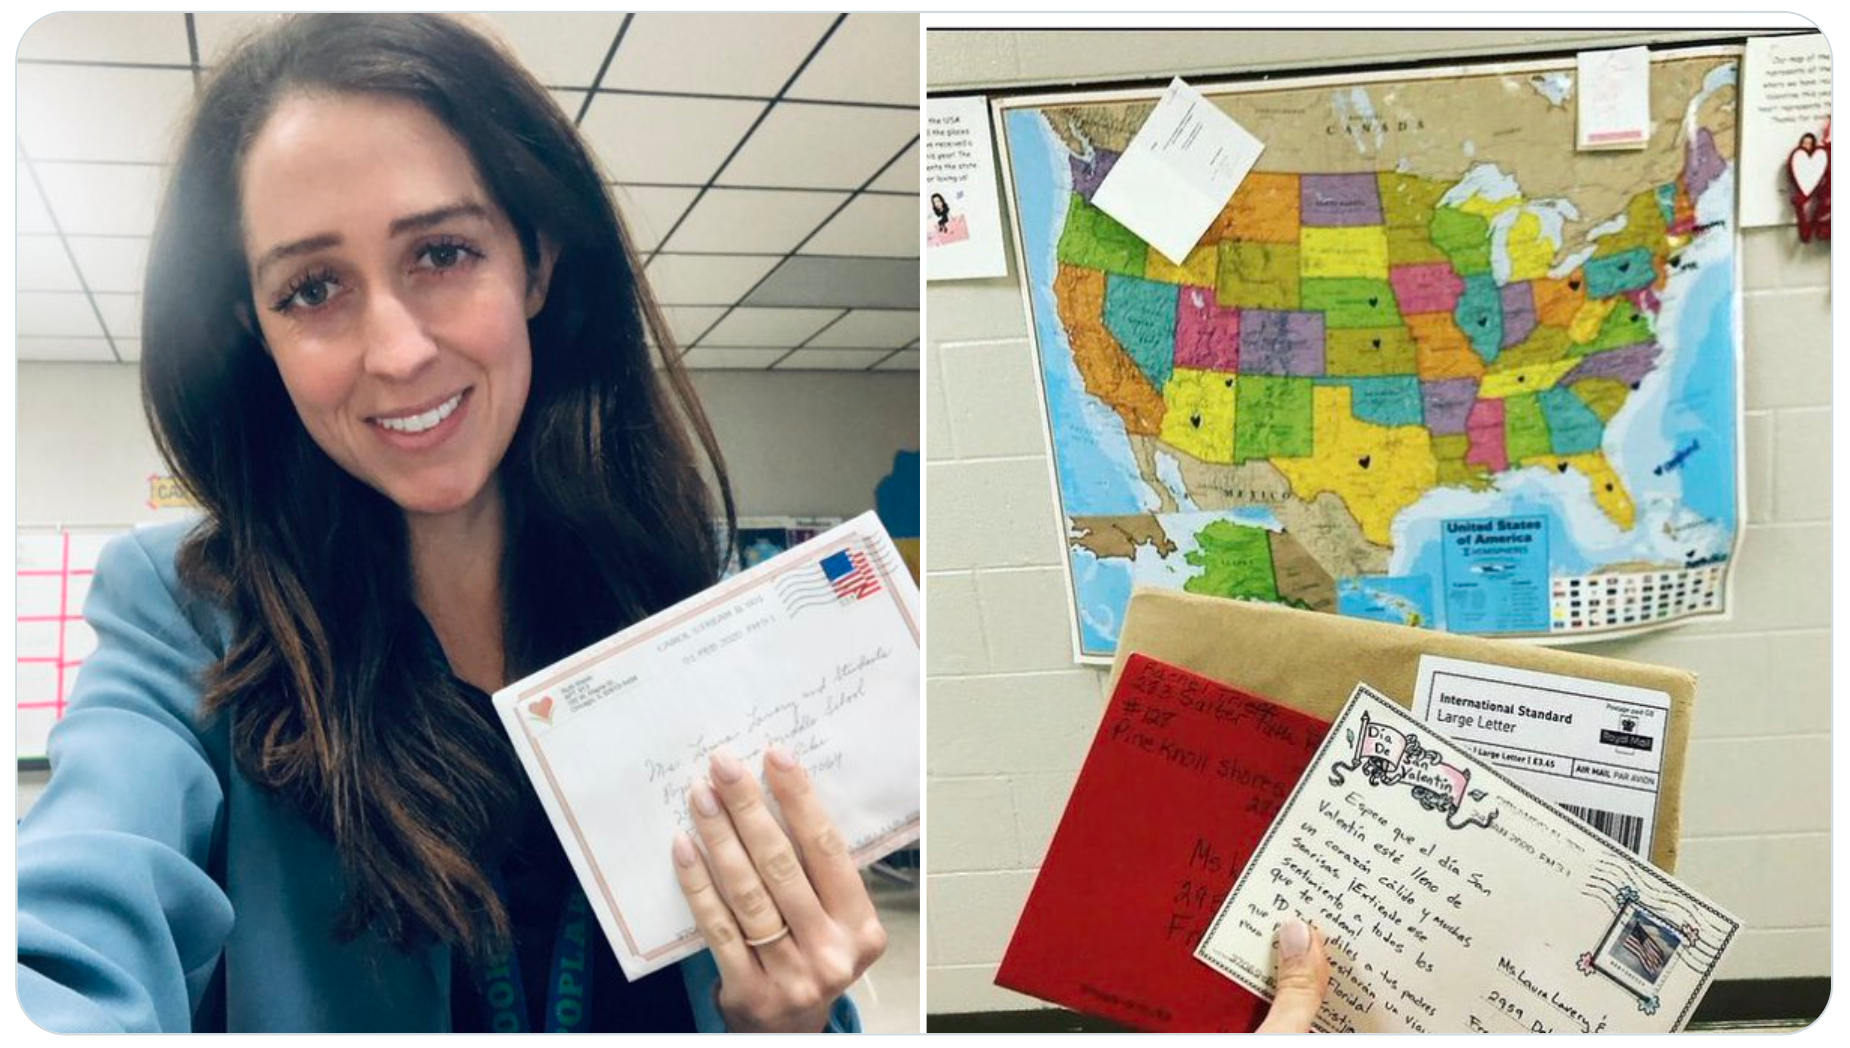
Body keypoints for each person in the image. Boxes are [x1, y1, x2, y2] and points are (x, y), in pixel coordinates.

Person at [16, 13, 883, 1033]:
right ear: (260, 332)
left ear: (536, 262)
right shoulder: (188, 608)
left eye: (441, 251)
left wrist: (785, 1021)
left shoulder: (664, 597)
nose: (394, 351)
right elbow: (74, 921)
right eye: (314, 287)